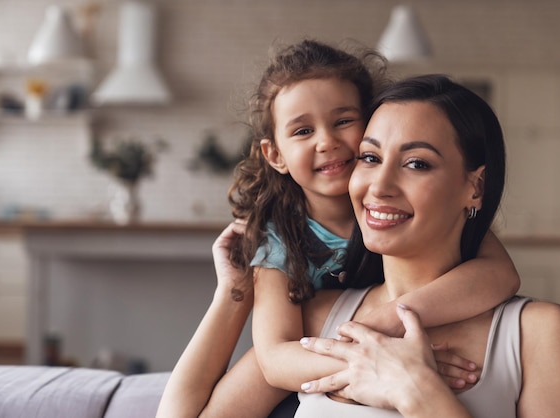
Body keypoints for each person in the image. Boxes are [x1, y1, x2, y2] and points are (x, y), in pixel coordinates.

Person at [156, 40, 519, 417]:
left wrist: (379, 328)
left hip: (340, 338)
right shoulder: (280, 235)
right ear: (275, 155)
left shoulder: (404, 211)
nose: (327, 142)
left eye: (343, 121)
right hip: (308, 350)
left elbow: (500, 274)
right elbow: (276, 360)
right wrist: (380, 360)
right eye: (302, 131)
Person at [292, 74, 560, 417]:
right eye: (370, 157)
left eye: (417, 163)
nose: (379, 187)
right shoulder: (316, 316)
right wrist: (234, 292)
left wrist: (417, 390)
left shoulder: (539, 333)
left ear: (476, 188)